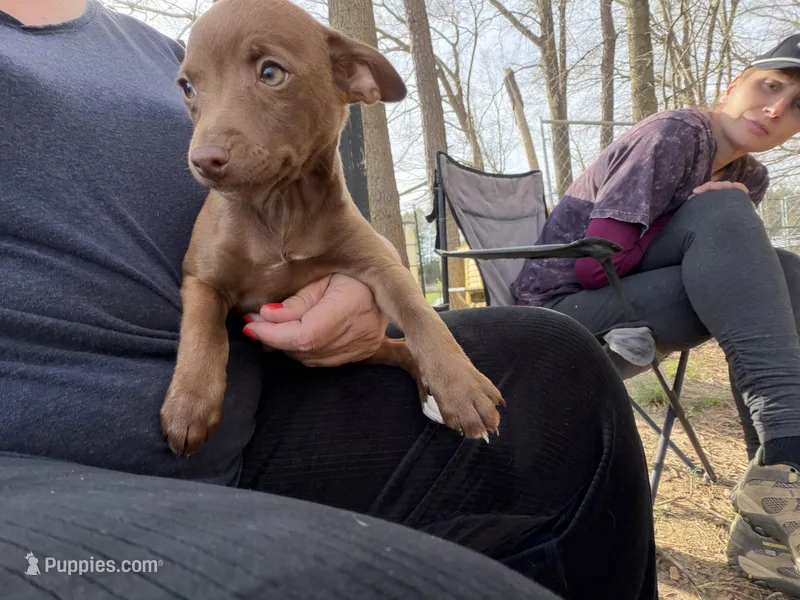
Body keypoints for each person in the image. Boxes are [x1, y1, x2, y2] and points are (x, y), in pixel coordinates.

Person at [0, 1, 658, 598]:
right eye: (194, 93)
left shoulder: (159, 46)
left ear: (354, 79)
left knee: (561, 360)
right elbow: (205, 276)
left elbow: (371, 258)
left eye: (268, 73)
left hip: (267, 410)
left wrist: (356, 292)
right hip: (52, 475)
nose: (202, 146)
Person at [512, 33, 800, 596]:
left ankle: (773, 501)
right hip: (562, 317)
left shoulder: (751, 175)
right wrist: (703, 210)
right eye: (771, 87)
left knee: (783, 271)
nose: (775, 110)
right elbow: (597, 268)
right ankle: (790, 469)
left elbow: (728, 281)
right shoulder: (675, 134)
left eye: (796, 109)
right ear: (733, 84)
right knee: (729, 216)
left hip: (637, 308)